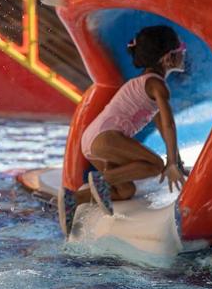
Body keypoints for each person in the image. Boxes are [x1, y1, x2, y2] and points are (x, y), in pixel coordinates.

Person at [74, 25, 188, 222]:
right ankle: (101, 180)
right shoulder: (157, 86)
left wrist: (176, 160)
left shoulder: (144, 83)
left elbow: (161, 124)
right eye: (181, 48)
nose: (184, 52)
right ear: (168, 58)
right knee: (155, 165)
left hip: (94, 140)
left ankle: (77, 198)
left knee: (125, 190)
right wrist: (169, 163)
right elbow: (169, 124)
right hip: (106, 138)